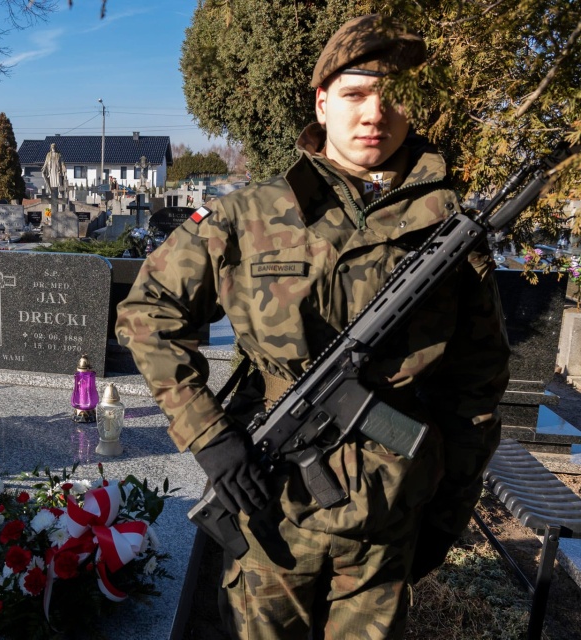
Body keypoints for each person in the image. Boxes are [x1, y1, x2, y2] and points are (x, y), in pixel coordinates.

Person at [115, 14, 510, 640]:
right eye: (355, 93)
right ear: (322, 103)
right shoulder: (247, 213)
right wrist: (209, 436)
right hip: (270, 512)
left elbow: (478, 389)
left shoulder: (448, 234)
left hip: (389, 521)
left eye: (393, 95)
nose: (375, 113)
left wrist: (447, 513)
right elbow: (147, 313)